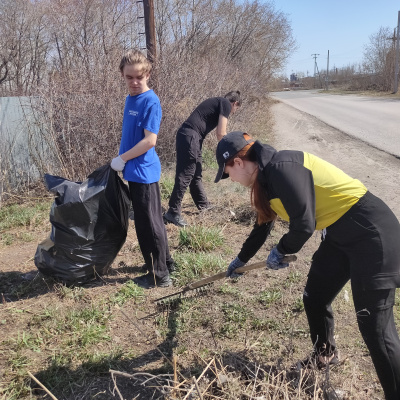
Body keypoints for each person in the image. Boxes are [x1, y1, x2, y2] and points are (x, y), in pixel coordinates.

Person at [215, 131, 400, 400]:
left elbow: (304, 224)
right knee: (315, 296)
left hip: (371, 232)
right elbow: (262, 226)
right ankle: (325, 354)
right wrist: (241, 259)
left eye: (228, 172)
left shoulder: (282, 168)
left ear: (239, 162)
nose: (230, 179)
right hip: (340, 233)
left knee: (376, 329)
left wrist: (282, 249)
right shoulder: (265, 181)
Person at [110, 49, 174, 289]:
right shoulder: (130, 99)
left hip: (144, 171)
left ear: (147, 74)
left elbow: (149, 141)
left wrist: (122, 159)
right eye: (129, 77)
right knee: (152, 221)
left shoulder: (150, 101)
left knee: (149, 225)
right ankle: (166, 263)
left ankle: (159, 275)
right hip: (134, 170)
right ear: (122, 75)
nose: (134, 82)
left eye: (139, 77)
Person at [163, 91, 242, 227]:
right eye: (236, 109)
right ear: (235, 103)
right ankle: (173, 212)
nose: (233, 112)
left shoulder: (218, 102)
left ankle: (204, 205)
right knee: (186, 174)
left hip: (190, 136)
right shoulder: (225, 103)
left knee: (196, 174)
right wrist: (232, 151)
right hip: (191, 136)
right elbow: (221, 133)